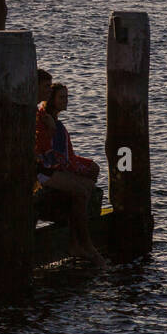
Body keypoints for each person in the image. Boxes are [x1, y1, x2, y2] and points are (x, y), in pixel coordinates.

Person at [36, 82, 106, 267]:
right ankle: (83, 244)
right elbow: (55, 158)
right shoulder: (49, 121)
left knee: (88, 184)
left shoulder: (51, 120)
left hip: (51, 168)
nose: (66, 101)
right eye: (61, 97)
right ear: (51, 99)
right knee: (82, 190)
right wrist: (79, 171)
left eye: (67, 97)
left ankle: (77, 240)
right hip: (44, 172)